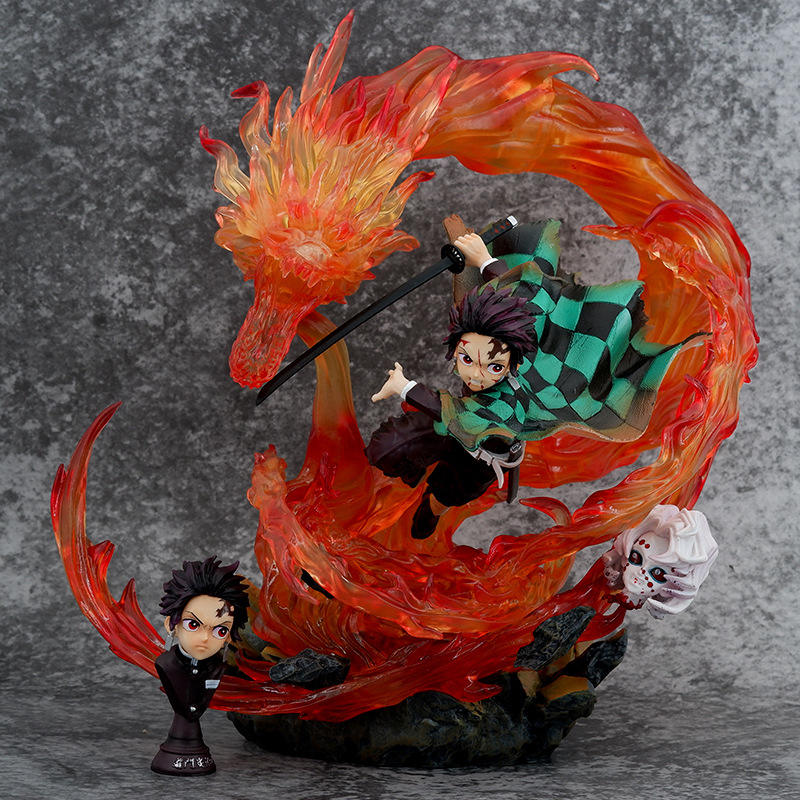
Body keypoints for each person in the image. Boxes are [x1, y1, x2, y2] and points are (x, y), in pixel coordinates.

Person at [367, 218, 700, 539]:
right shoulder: (508, 330)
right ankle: (416, 478)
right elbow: (516, 295)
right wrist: (483, 259)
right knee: (394, 448)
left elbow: (454, 411)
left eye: (493, 366)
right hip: (457, 422)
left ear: (511, 363)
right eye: (466, 359)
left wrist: (405, 387)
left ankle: (433, 506)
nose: (476, 373)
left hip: (481, 454)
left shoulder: (508, 401)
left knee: (448, 491)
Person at [151, 556, 249, 776]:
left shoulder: (218, 669)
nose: (205, 638)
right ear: (172, 625)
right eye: (193, 624)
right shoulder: (166, 665)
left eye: (220, 630)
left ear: (229, 637)